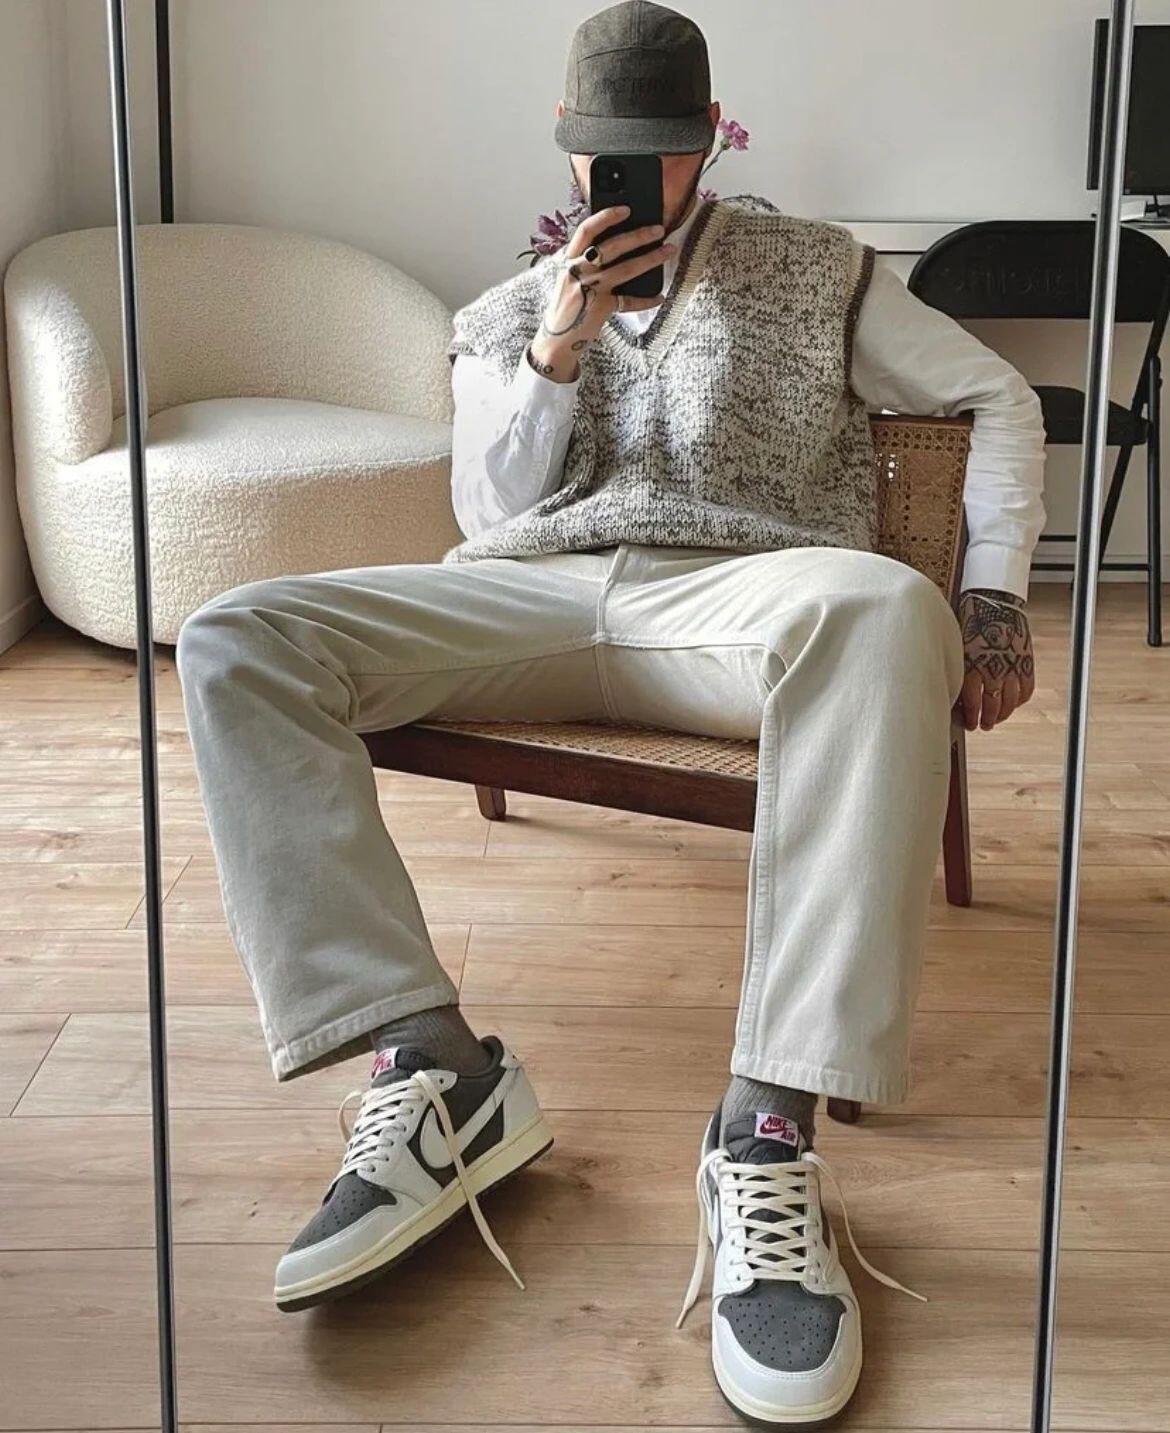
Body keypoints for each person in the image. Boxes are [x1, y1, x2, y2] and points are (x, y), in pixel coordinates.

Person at [175, 0, 1046, 1422]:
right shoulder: (505, 310)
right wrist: (556, 349)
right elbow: (484, 515)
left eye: (656, 148)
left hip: (741, 600)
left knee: (893, 608)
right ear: (564, 142)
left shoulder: (817, 268)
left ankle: (768, 1129)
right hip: (529, 597)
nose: (626, 175)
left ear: (710, 137)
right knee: (236, 638)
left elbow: (993, 395)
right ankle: (432, 1064)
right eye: (601, 149)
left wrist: (994, 592)